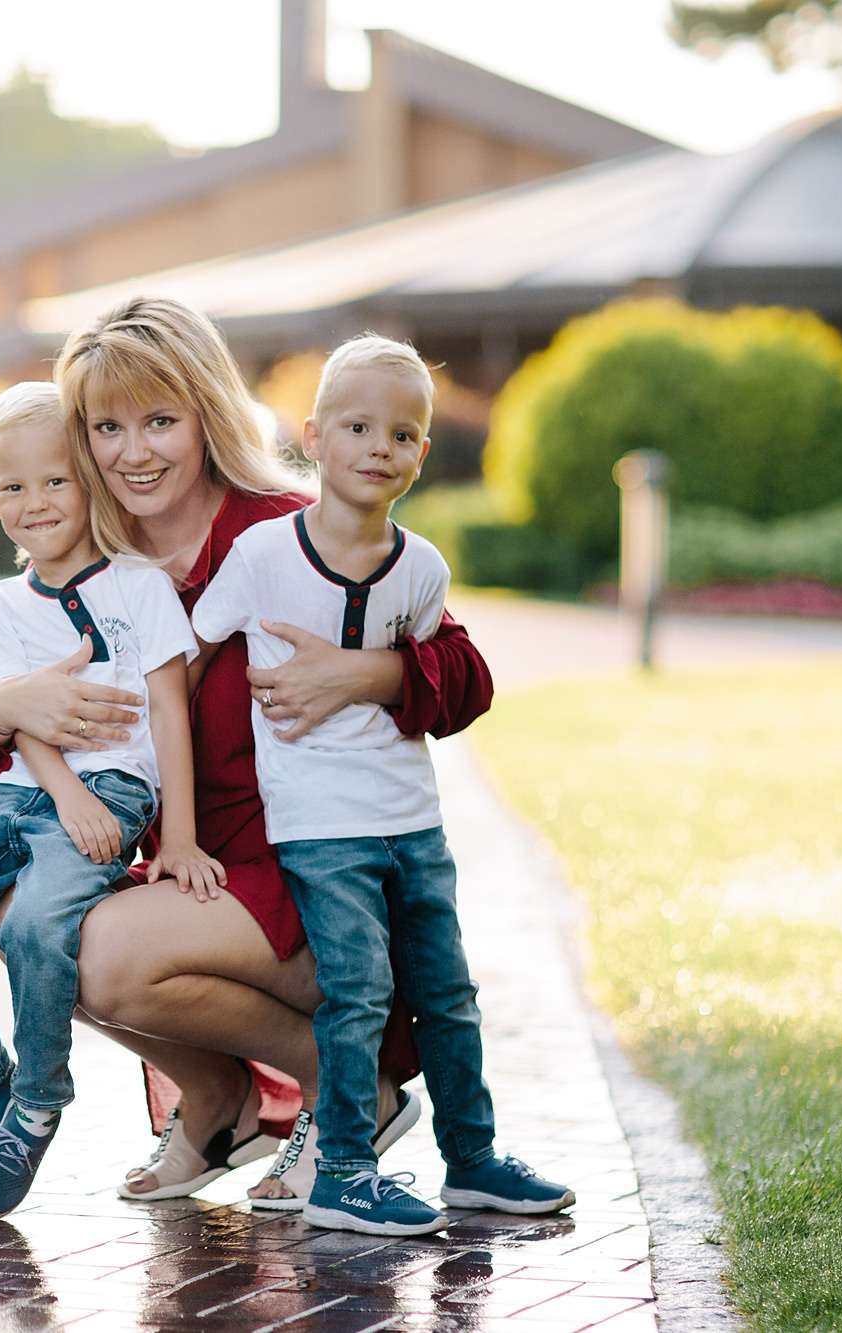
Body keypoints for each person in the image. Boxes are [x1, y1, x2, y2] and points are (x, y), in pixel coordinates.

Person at [0, 296, 496, 1205]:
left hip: (314, 880)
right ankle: (218, 1096)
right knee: (27, 919)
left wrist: (366, 673)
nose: (135, 451)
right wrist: (2, 705)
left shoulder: (291, 532)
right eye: (107, 427)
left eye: (162, 420)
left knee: (94, 948)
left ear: (206, 415)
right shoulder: (88, 560)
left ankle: (353, 1085)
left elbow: (464, 672)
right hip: (196, 886)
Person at [189, 334, 574, 1234]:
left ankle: (472, 1160)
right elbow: (191, 650)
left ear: (422, 454)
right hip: (319, 826)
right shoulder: (262, 556)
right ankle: (346, 1170)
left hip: (415, 820)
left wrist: (372, 669)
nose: (378, 447)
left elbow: (440, 666)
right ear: (314, 436)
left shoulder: (424, 568)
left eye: (402, 434)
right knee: (356, 990)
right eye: (357, 427)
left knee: (448, 992)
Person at [0, 381, 225, 1219]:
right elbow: (21, 706)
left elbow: (168, 712)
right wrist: (58, 786)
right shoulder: (0, 603)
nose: (35, 502)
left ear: (87, 478)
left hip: (113, 788)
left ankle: (39, 1102)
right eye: (13, 486)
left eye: (55, 481)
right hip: (22, 787)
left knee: (38, 928)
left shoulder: (140, 587)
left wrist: (174, 835)